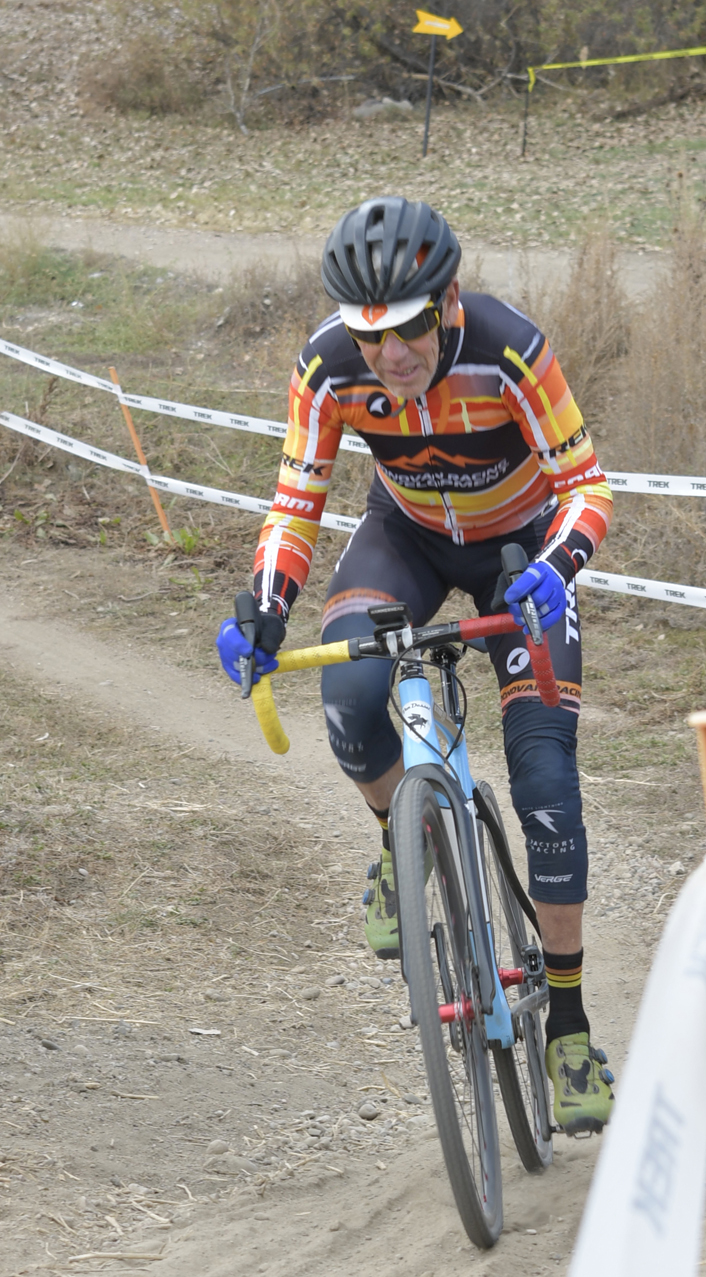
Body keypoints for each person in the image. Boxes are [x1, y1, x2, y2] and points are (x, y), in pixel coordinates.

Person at [215, 197, 615, 1135]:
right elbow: (295, 501)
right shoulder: (327, 368)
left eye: (408, 329)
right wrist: (266, 605)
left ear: (448, 301)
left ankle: (567, 1027)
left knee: (546, 779)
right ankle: (405, 844)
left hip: (519, 553)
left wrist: (558, 567)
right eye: (370, 335)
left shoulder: (510, 351)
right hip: (408, 540)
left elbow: (587, 485)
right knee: (350, 696)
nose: (390, 356)